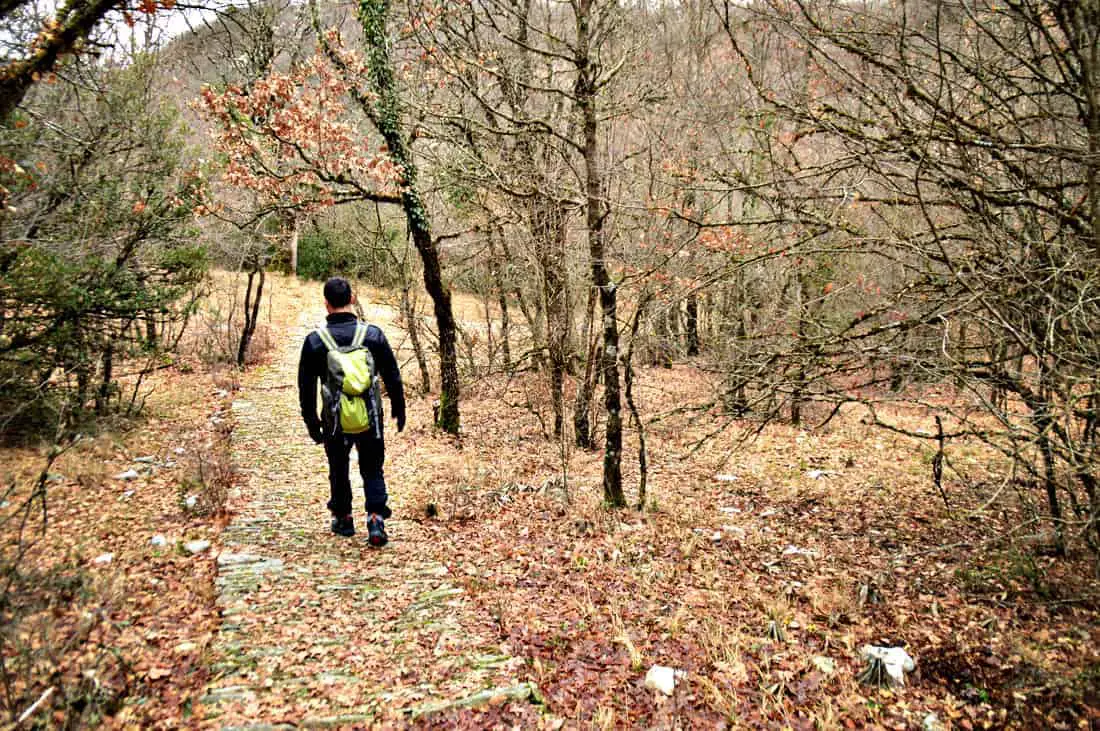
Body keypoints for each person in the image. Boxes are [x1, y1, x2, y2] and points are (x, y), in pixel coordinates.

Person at [297, 277, 405, 545]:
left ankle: (343, 518)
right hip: (370, 419)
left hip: (334, 421)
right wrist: (399, 409)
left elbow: (306, 386)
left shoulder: (315, 341)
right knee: (372, 468)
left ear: (326, 303)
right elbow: (392, 375)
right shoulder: (373, 335)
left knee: (338, 467)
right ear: (352, 299)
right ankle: (376, 519)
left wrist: (312, 422)